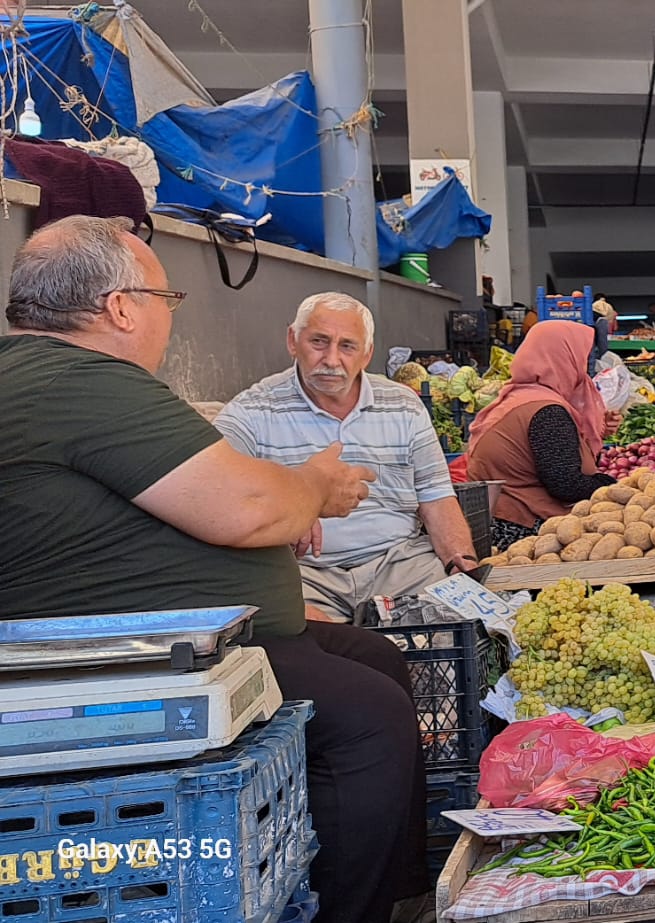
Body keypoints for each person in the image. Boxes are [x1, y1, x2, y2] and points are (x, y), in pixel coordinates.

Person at [0, 215, 424, 923]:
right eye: (166, 301)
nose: (167, 319)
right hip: (136, 663)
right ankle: (350, 911)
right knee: (368, 716)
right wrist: (316, 485)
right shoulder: (83, 380)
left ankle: (398, 889)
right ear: (121, 306)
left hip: (176, 639)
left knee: (378, 658)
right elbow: (250, 509)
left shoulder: (50, 376)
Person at [214, 292, 480, 622]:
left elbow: (436, 497)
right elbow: (214, 488)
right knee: (311, 652)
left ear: (367, 354)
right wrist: (290, 502)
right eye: (319, 342)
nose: (331, 359)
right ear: (292, 341)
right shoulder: (252, 411)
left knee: (449, 633)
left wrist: (460, 562)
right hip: (302, 573)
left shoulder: (403, 406)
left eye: (347, 346)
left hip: (399, 565)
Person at [466, 320, 618, 547]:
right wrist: (616, 487)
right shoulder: (546, 412)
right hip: (524, 531)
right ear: (562, 359)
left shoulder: (520, 396)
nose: (584, 368)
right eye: (581, 358)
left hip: (499, 520)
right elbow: (565, 484)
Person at [587, 292, 616, 374]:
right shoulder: (602, 319)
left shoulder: (587, 313)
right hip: (592, 351)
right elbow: (602, 343)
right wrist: (604, 356)